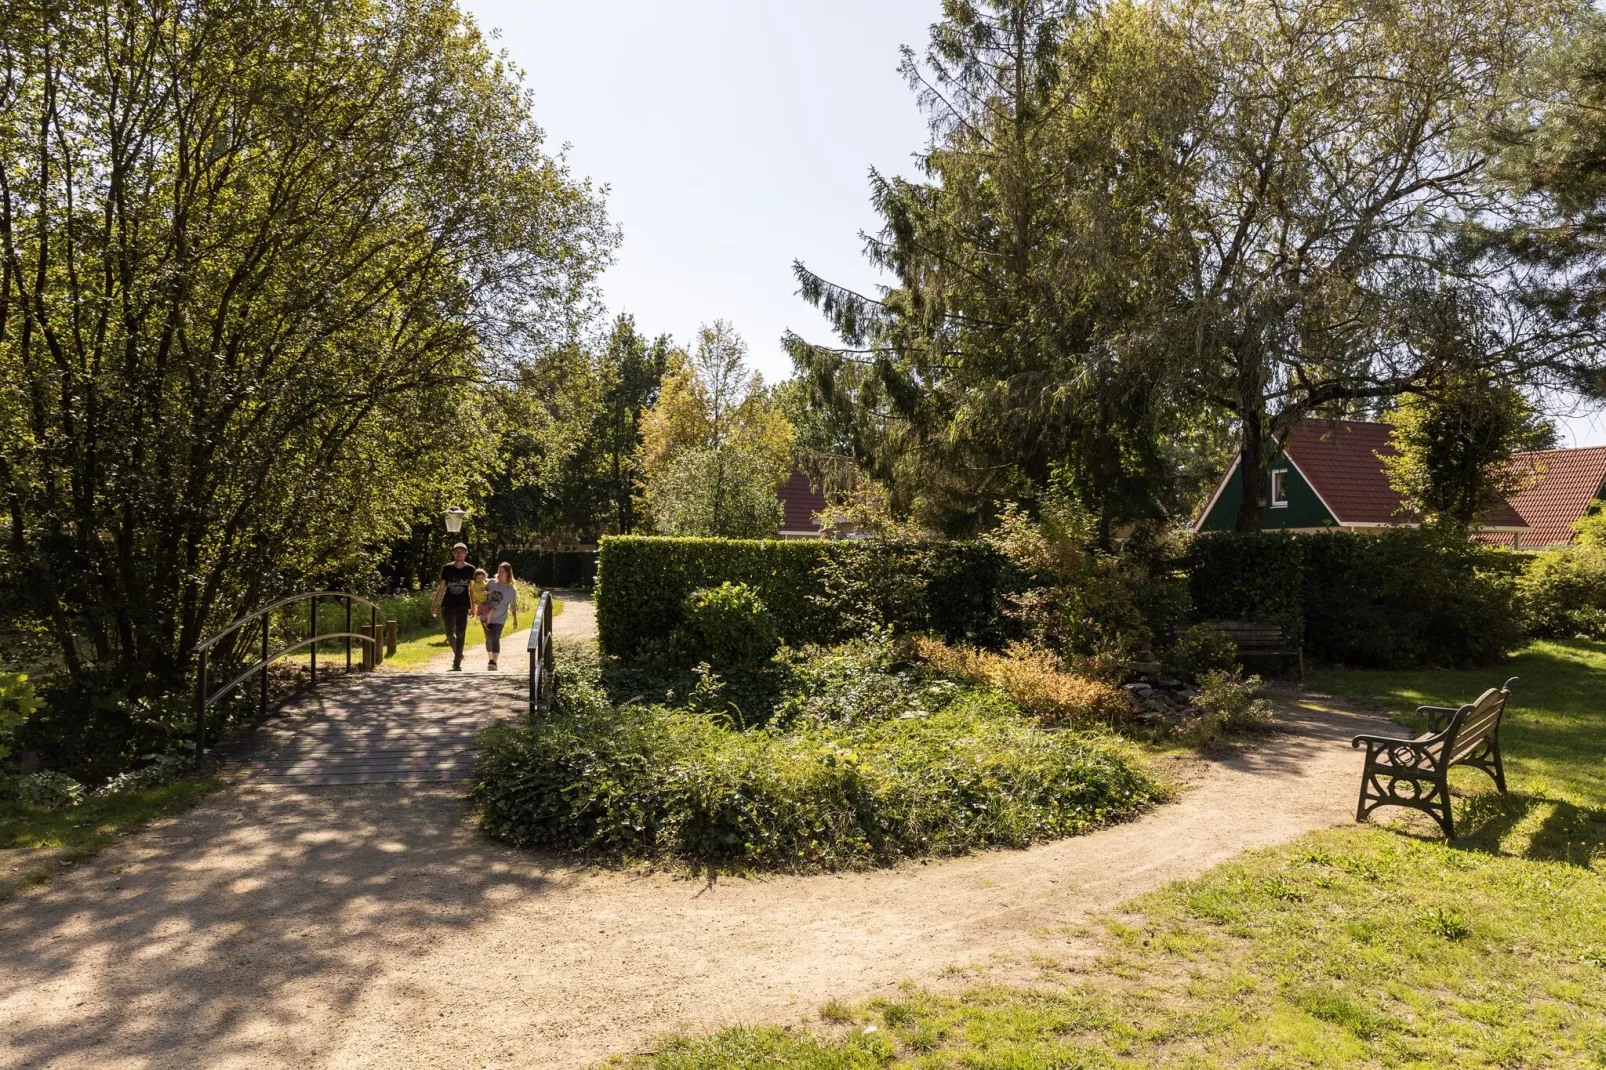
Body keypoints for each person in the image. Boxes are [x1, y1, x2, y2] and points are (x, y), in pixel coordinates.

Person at [431, 542, 476, 671]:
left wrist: (474, 606)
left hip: (463, 604)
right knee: (449, 634)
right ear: (452, 553)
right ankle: (459, 654)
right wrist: (434, 605)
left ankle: (456, 663)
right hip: (448, 604)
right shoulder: (447, 568)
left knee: (461, 633)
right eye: (456, 551)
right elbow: (441, 588)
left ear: (466, 553)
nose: (459, 553)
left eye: (462, 551)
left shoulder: (470, 569)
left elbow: (472, 589)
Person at [481, 562, 520, 672]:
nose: (499, 573)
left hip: (500, 618)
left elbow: (512, 606)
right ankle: (491, 660)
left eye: (502, 571)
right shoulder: (491, 583)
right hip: (485, 617)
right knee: (488, 639)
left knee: (495, 637)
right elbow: (480, 592)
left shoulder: (511, 590)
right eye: (499, 570)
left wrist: (515, 620)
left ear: (508, 573)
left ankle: (494, 662)